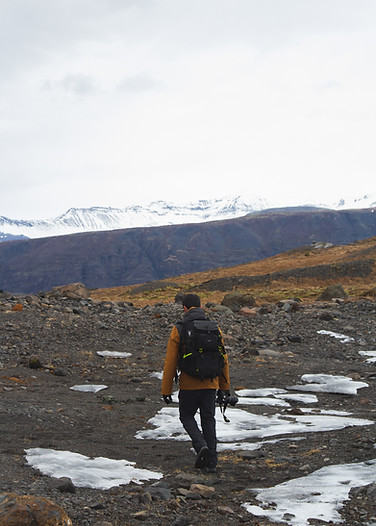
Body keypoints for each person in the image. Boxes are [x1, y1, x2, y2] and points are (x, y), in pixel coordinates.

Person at [161, 293, 230, 472]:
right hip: (211, 383)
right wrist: (224, 387)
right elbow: (223, 359)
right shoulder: (214, 328)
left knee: (186, 416)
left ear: (184, 308)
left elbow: (170, 362)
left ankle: (200, 446)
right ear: (200, 306)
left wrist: (166, 389)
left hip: (189, 383)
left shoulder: (180, 328)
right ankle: (212, 462)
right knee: (208, 419)